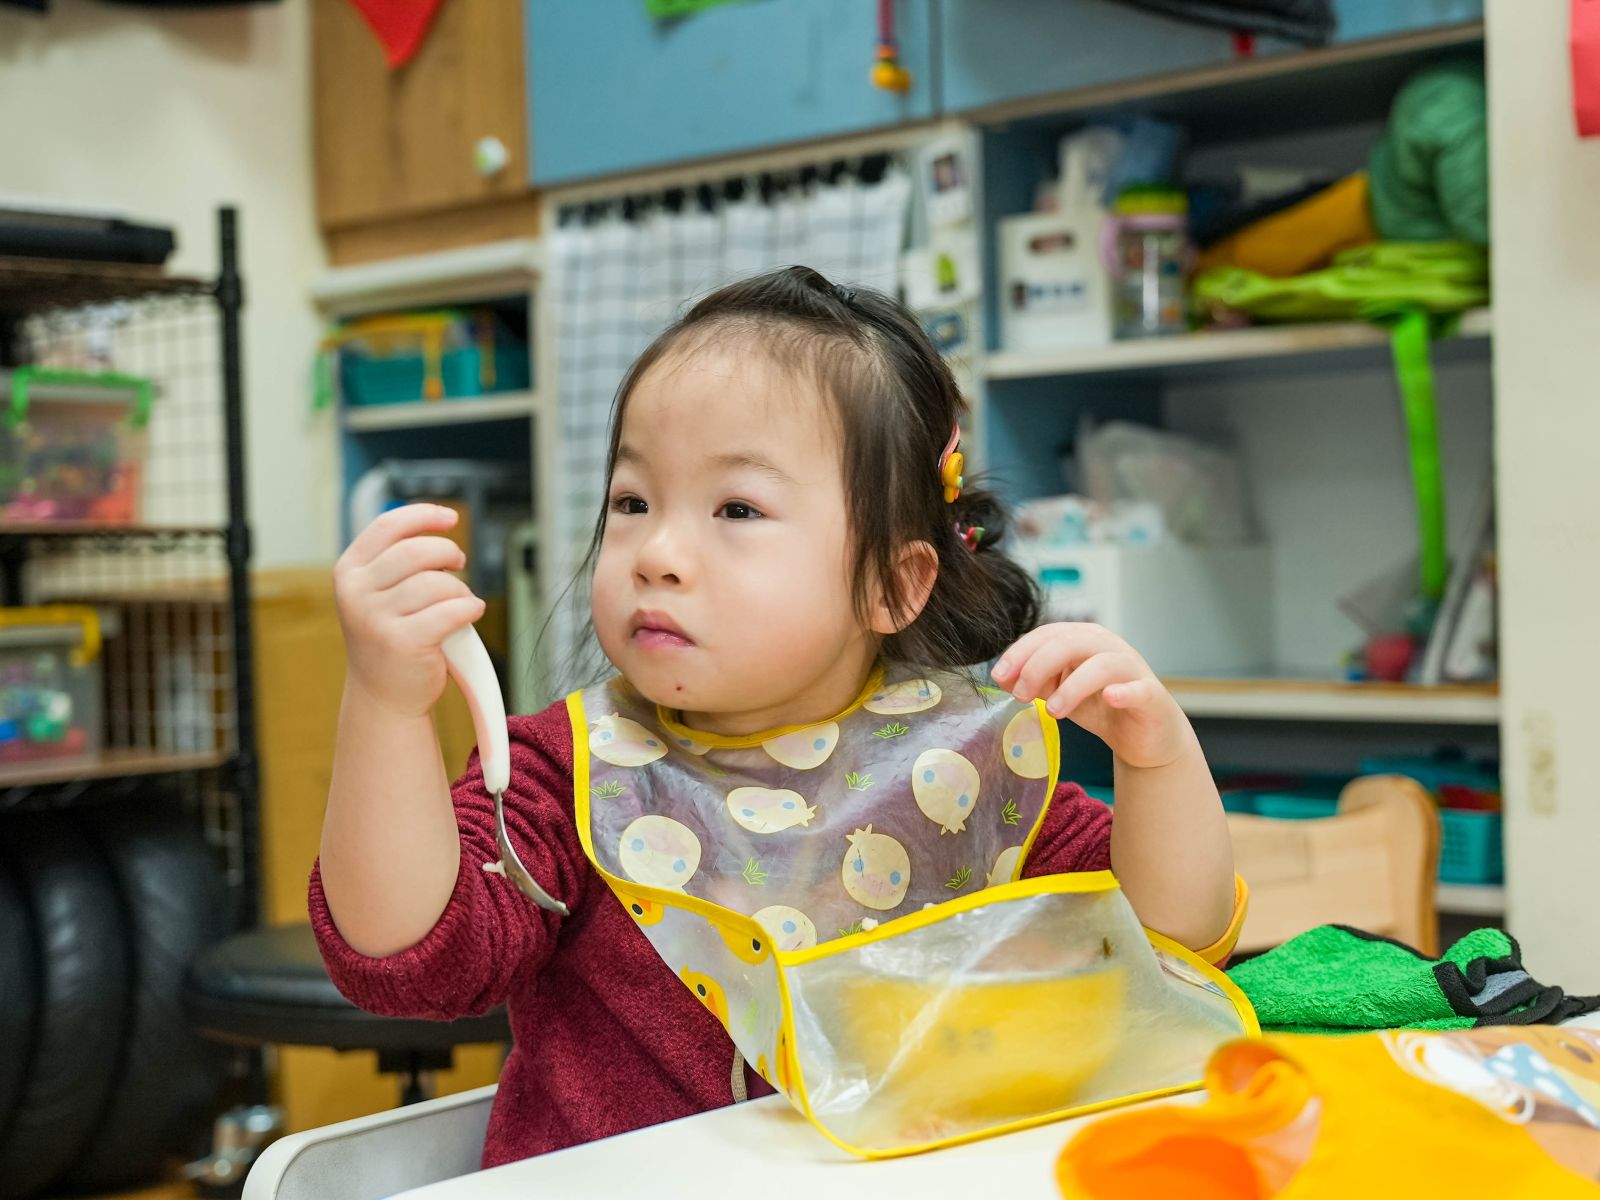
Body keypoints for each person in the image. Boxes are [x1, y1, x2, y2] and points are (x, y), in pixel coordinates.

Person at [312, 266, 1238, 1168]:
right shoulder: (564, 771)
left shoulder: (960, 764)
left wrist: (1159, 760)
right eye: (632, 500)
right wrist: (386, 706)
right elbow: (413, 958)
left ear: (891, 581)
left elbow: (1163, 952)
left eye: (738, 507)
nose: (658, 552)